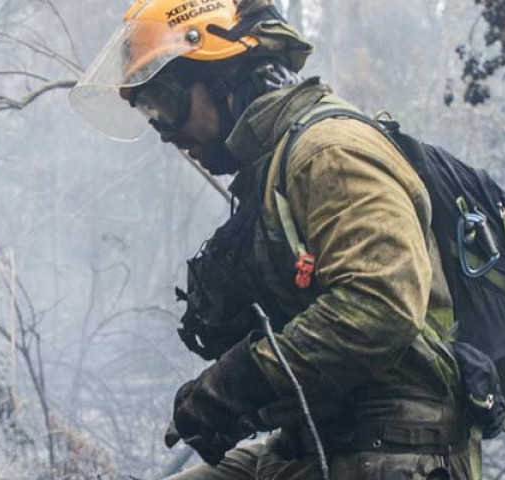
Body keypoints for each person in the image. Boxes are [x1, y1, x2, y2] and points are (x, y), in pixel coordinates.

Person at [71, 0, 477, 478]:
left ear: (226, 77)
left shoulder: (328, 151)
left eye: (165, 102)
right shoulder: (274, 164)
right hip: (316, 439)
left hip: (391, 450)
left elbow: (380, 306)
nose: (164, 131)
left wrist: (237, 382)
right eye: (150, 112)